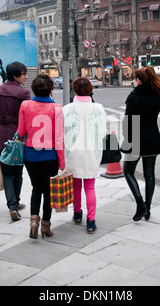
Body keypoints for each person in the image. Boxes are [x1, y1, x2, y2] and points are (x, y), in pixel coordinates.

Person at [121, 66, 160, 221]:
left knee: (128, 171)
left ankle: (140, 203)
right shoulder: (158, 96)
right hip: (152, 139)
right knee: (150, 174)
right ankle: (147, 209)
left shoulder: (134, 97)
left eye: (135, 79)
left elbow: (128, 122)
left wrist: (126, 140)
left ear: (139, 80)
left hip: (134, 139)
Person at [17, 74, 65, 239]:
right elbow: (59, 138)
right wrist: (62, 161)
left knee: (36, 189)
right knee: (48, 192)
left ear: (33, 89)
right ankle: (46, 225)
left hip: (30, 155)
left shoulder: (25, 105)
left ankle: (33, 223)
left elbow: (21, 132)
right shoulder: (57, 109)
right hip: (50, 156)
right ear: (51, 89)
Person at [0, 62, 31, 222]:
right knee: (17, 171)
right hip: (17, 137)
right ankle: (16, 203)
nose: (26, 77)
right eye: (24, 74)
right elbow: (27, 118)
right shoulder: (23, 93)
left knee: (6, 172)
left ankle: (12, 205)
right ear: (16, 75)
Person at [63, 77, 106, 234]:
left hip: (72, 152)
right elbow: (102, 132)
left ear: (74, 89)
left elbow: (63, 132)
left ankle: (77, 213)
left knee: (75, 186)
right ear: (90, 89)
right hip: (91, 152)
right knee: (89, 187)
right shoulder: (98, 108)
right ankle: (91, 220)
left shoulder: (66, 109)